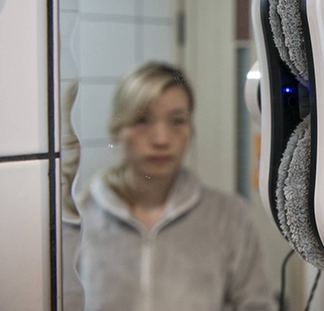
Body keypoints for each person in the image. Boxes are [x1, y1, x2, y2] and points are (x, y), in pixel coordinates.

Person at [63, 61, 275, 311]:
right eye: (142, 120)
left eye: (177, 121)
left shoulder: (230, 218)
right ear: (117, 130)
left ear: (190, 130)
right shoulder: (79, 218)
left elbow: (257, 305)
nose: (161, 139)